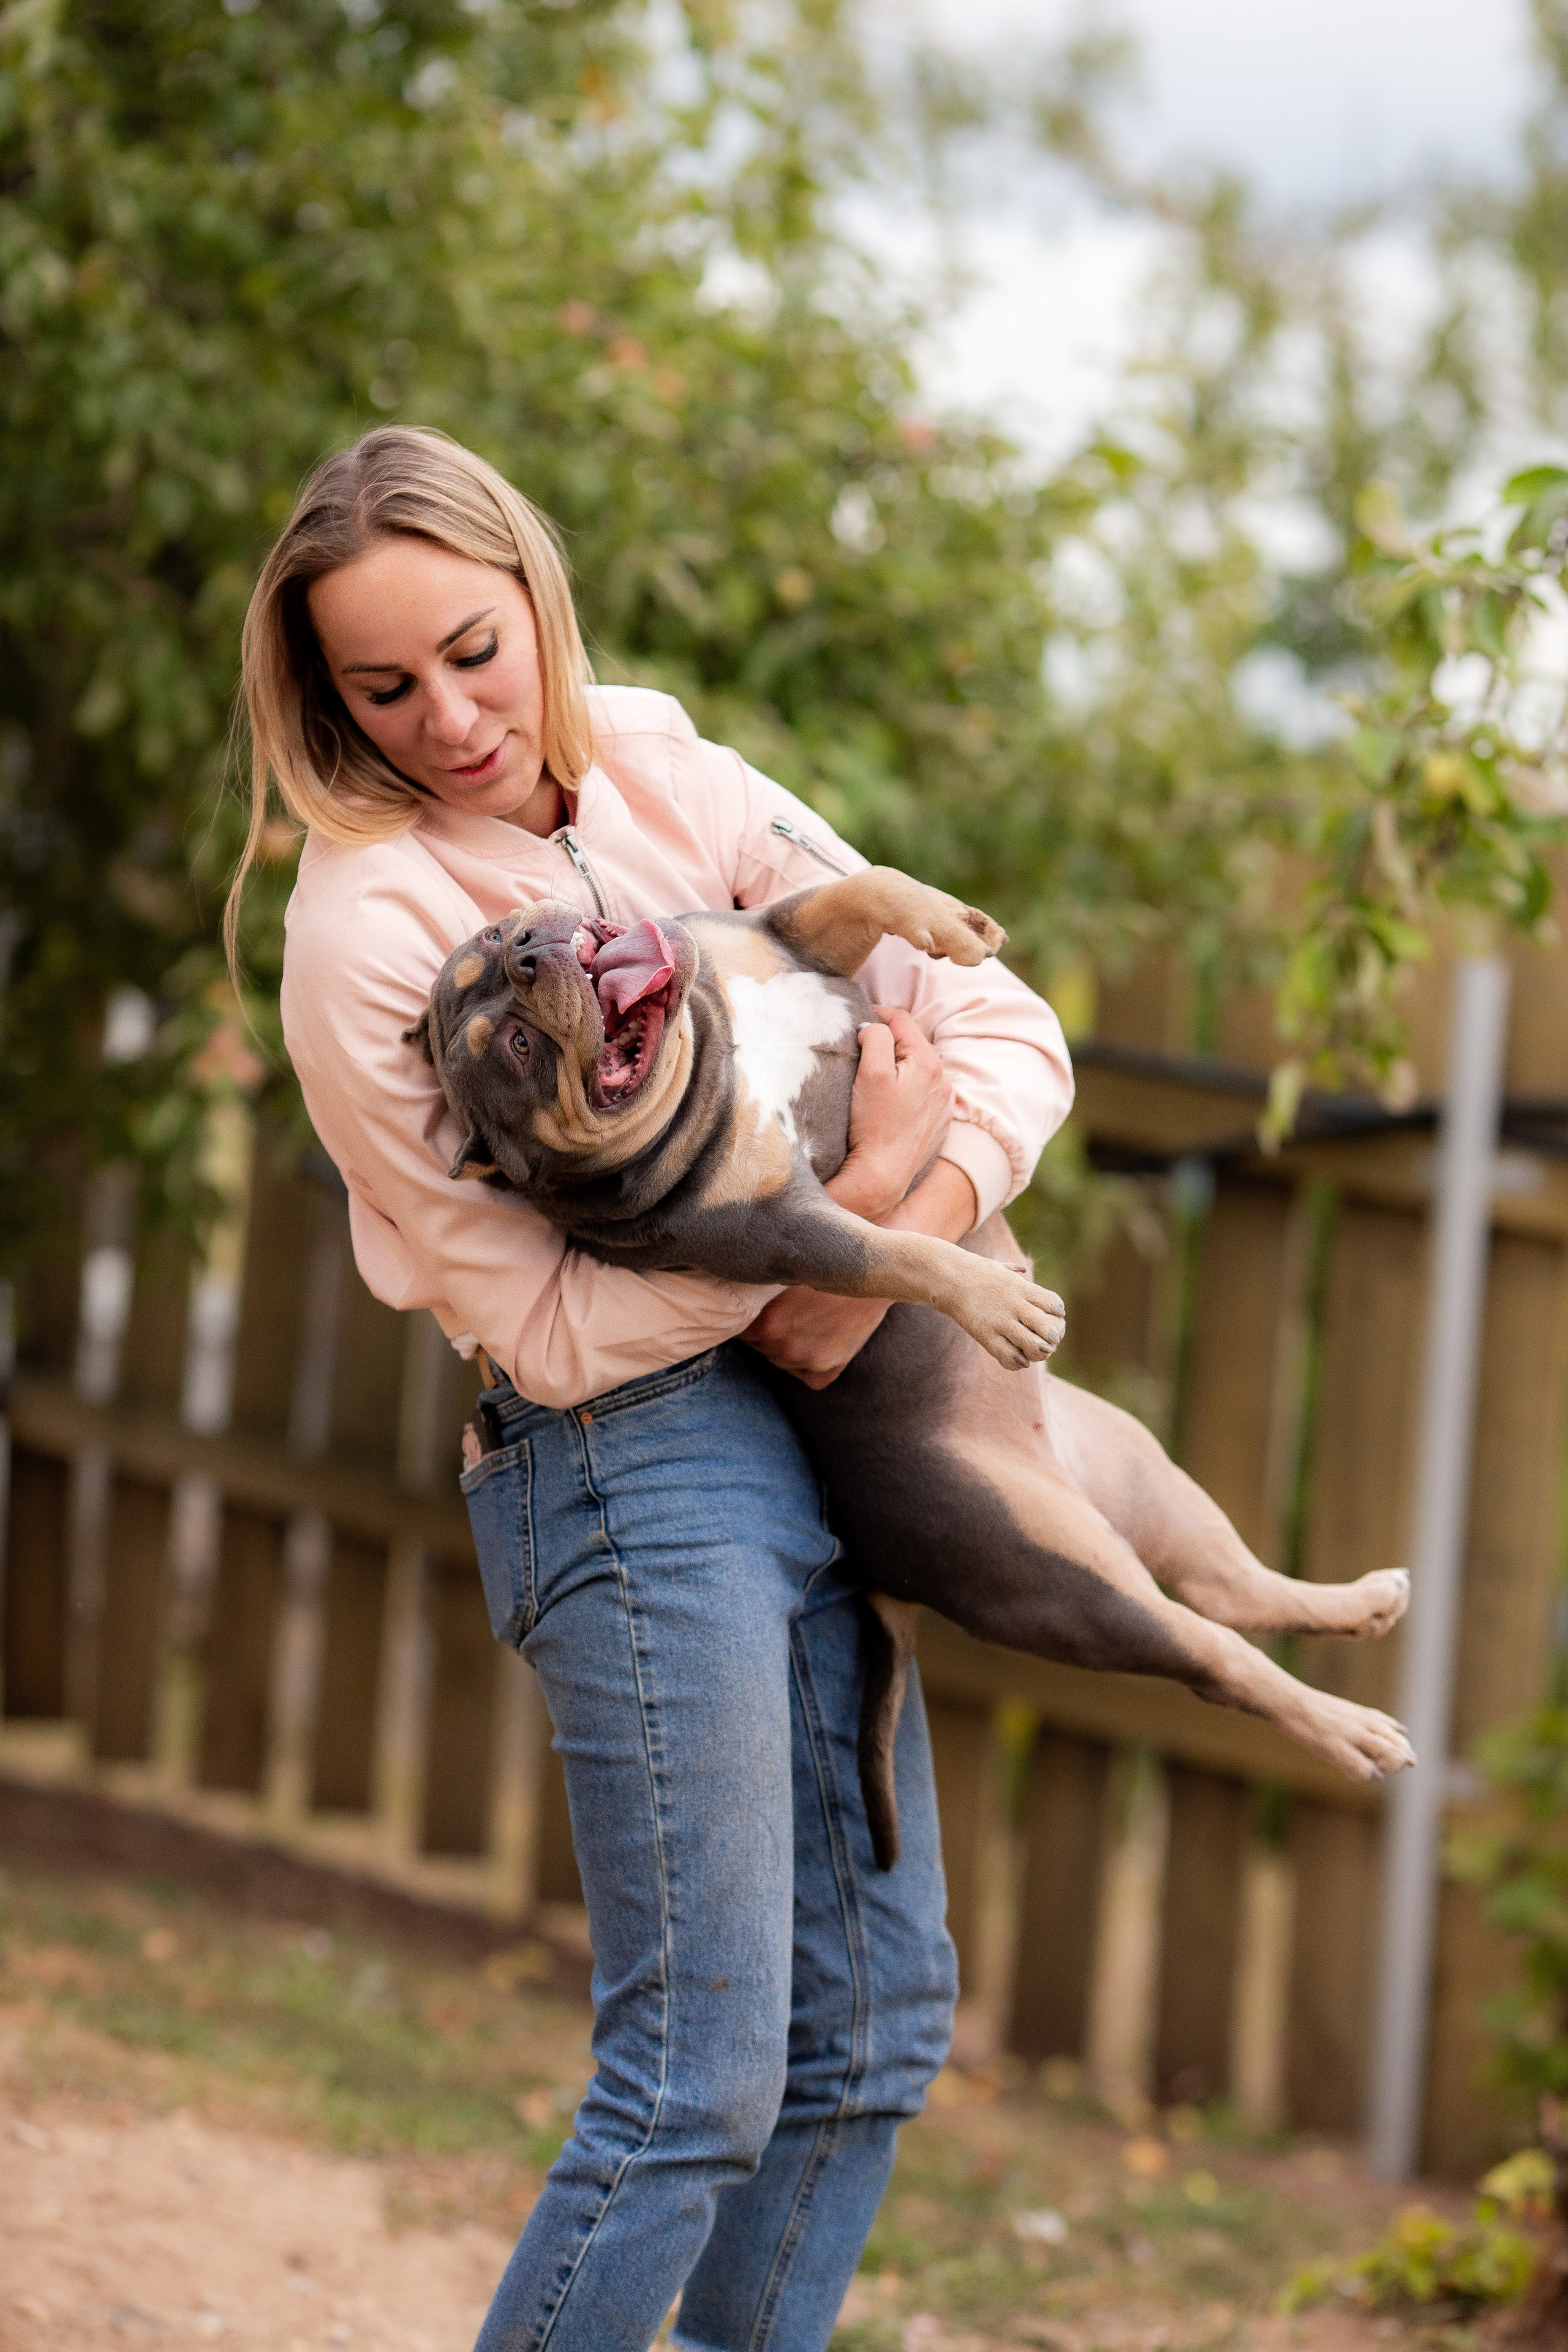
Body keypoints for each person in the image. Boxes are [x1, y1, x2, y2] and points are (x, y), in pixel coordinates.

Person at [232, 425, 1074, 2352]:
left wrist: (901, 1215)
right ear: (323, 699)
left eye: (475, 649)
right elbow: (541, 1318)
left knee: (871, 2030)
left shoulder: (671, 764)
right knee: (699, 2079)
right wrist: (837, 1251)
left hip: (830, 1407)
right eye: (384, 686)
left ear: (533, 594)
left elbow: (995, 1018)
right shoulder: (368, 933)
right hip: (628, 1466)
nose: (449, 717)